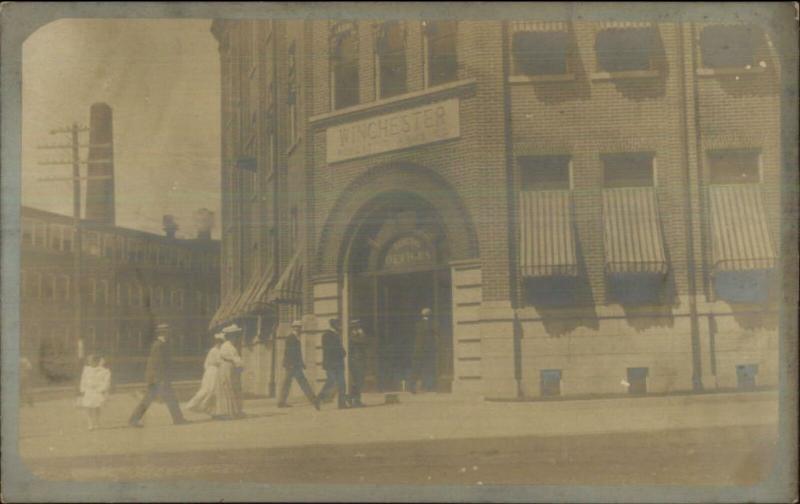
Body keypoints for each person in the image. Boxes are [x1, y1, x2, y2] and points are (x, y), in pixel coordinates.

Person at [128, 324, 188, 427]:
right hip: (158, 378)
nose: (169, 333)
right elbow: (157, 363)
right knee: (152, 398)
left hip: (158, 378)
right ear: (163, 333)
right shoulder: (159, 345)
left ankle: (178, 419)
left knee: (165, 398)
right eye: (167, 331)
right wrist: (160, 379)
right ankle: (134, 420)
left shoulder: (162, 344)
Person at [277, 320, 320, 410]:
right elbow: (289, 352)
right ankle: (314, 400)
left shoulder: (296, 337)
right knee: (297, 383)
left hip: (295, 365)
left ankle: (281, 402)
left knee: (294, 383)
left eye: (299, 327)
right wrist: (291, 364)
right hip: (291, 365)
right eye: (297, 327)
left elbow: (298, 353)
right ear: (293, 328)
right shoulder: (291, 338)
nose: (298, 329)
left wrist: (301, 363)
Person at [186, 333, 224, 414]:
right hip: (213, 372)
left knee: (212, 390)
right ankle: (195, 404)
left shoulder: (217, 350)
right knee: (209, 389)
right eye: (219, 342)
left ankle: (208, 408)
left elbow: (206, 364)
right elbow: (217, 362)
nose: (220, 344)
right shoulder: (214, 350)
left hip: (212, 371)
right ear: (217, 342)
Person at [213, 324, 245, 419]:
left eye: (236, 335)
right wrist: (238, 362)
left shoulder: (231, 346)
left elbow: (235, 358)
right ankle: (227, 412)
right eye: (234, 335)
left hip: (231, 368)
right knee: (228, 387)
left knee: (233, 388)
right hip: (227, 368)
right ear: (229, 336)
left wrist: (239, 364)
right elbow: (229, 357)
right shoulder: (226, 346)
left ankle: (234, 410)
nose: (235, 337)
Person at [315, 318, 348, 409]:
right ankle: (319, 398)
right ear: (333, 325)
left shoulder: (335, 335)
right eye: (338, 325)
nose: (340, 327)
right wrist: (343, 352)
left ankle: (342, 404)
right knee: (331, 381)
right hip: (331, 363)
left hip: (338, 363)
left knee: (342, 383)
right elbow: (332, 349)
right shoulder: (327, 335)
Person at [409, 308, 439, 394]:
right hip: (428, 350)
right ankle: (428, 387)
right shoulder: (433, 324)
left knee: (416, 369)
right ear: (429, 314)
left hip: (418, 350)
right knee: (428, 368)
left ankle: (412, 387)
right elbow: (435, 336)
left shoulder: (417, 324)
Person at [79, 354, 111, 430]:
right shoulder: (86, 370)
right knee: (87, 406)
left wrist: (101, 389)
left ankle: (97, 422)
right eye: (89, 361)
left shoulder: (104, 371)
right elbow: (83, 379)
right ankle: (90, 423)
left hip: (97, 391)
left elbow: (106, 382)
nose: (91, 363)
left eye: (92, 361)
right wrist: (82, 389)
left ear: (97, 361)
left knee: (97, 407)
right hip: (88, 390)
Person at [347, 319, 368, 407]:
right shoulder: (351, 336)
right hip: (355, 361)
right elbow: (362, 342)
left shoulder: (356, 335)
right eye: (357, 326)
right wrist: (361, 334)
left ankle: (356, 399)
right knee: (357, 381)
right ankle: (352, 399)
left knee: (359, 381)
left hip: (360, 360)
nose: (359, 327)